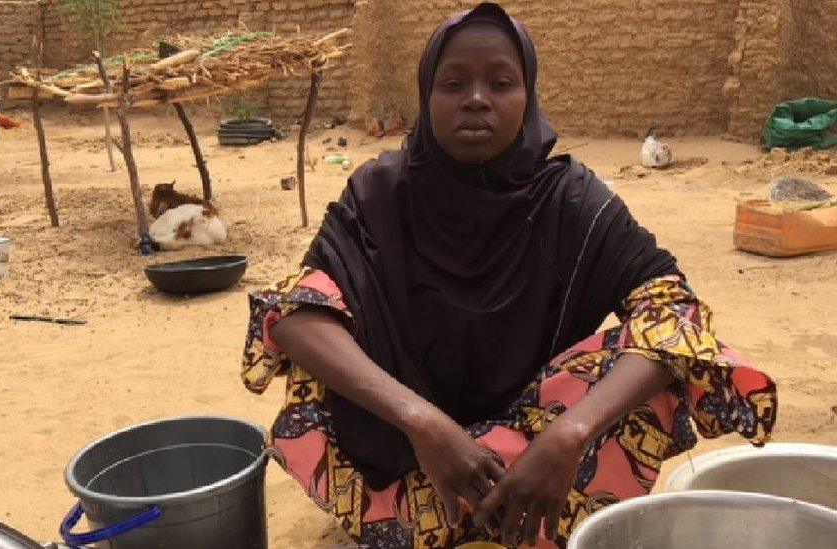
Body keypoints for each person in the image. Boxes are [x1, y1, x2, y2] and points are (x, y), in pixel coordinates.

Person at [240, 3, 777, 547]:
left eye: (501, 82)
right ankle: (424, 519)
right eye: (454, 83)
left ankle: (526, 512)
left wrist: (570, 434)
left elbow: (672, 307)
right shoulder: (379, 193)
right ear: (428, 97)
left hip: (540, 455)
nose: (477, 98)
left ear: (528, 97)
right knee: (319, 349)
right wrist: (421, 422)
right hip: (408, 459)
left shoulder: (567, 198)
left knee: (663, 356)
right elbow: (292, 314)